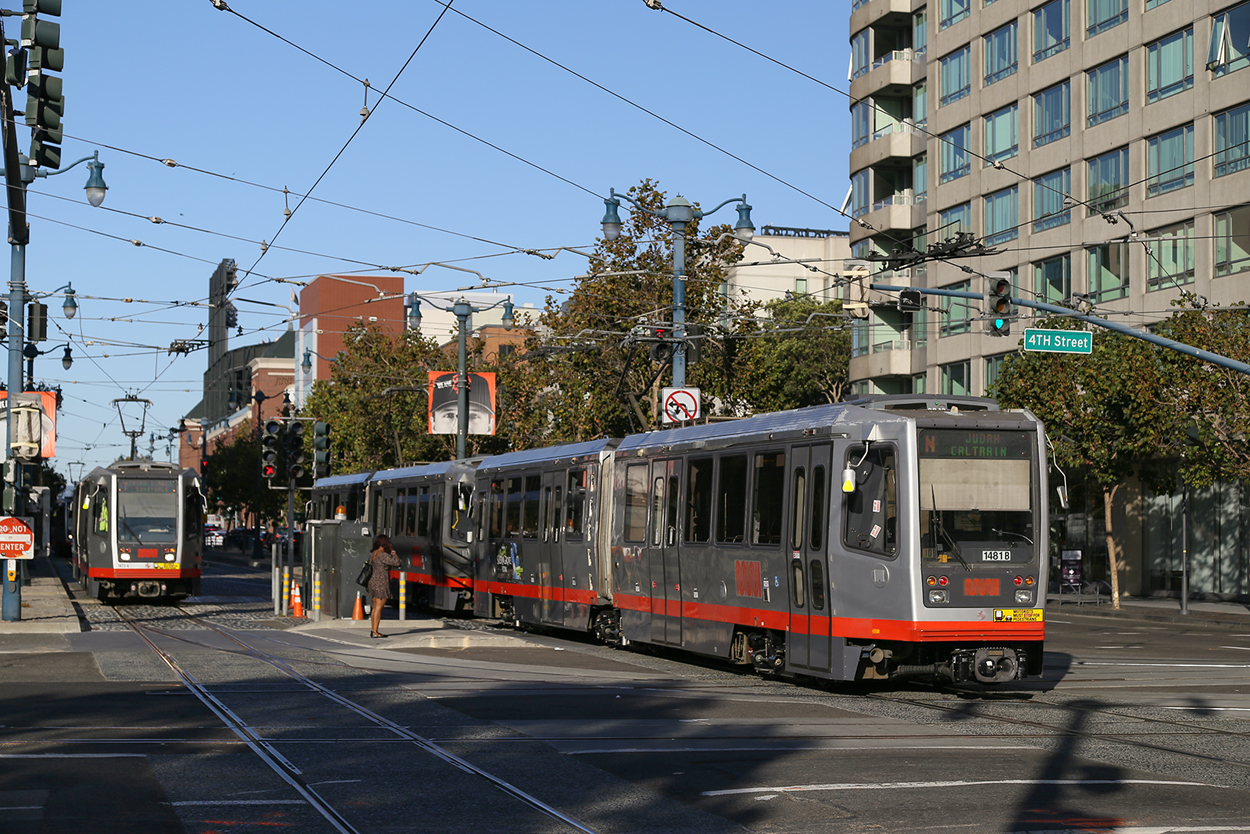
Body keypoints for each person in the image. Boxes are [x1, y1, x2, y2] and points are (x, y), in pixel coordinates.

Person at [367, 534, 401, 638]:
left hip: (372, 582)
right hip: (381, 583)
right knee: (378, 608)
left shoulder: (373, 554)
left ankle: (373, 629)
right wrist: (393, 552)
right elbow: (397, 562)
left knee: (374, 608)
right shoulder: (383, 555)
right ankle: (375, 632)